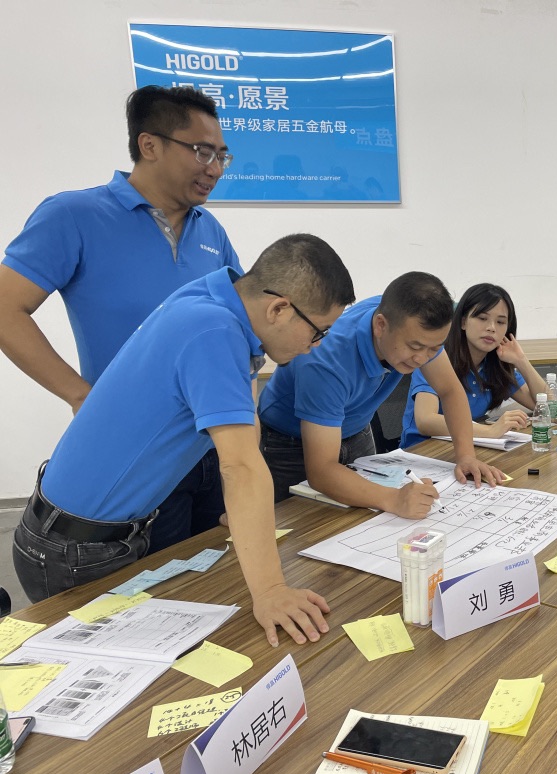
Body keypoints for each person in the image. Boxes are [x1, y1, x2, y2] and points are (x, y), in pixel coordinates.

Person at [12, 234, 354, 647]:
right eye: (318, 332)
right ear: (279, 309)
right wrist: (270, 591)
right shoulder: (214, 331)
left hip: (91, 531)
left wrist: (247, 513)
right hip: (74, 550)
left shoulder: (214, 298)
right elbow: (240, 466)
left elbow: (245, 430)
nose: (314, 347)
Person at [0, 86, 241, 555]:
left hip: (212, 447)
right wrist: (79, 394)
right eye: (202, 152)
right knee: (159, 582)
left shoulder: (210, 231)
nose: (214, 168)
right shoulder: (74, 215)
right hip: (141, 453)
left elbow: (237, 321)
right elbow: (6, 308)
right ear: (149, 145)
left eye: (221, 156)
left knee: (220, 572)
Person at [258, 271, 504, 515]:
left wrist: (466, 455)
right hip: (291, 444)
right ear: (380, 326)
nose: (422, 359)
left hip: (356, 431)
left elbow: (449, 390)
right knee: (307, 525)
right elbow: (322, 471)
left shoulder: (414, 325)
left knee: (369, 521)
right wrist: (395, 499)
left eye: (434, 349)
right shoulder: (326, 361)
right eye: (415, 347)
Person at [400, 283, 546, 449]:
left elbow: (546, 408)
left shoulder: (494, 366)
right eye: (482, 318)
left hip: (467, 447)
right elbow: (426, 421)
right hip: (423, 451)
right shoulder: (435, 358)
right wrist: (490, 431)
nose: (491, 328)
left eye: (500, 322)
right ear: (463, 322)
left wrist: (521, 360)